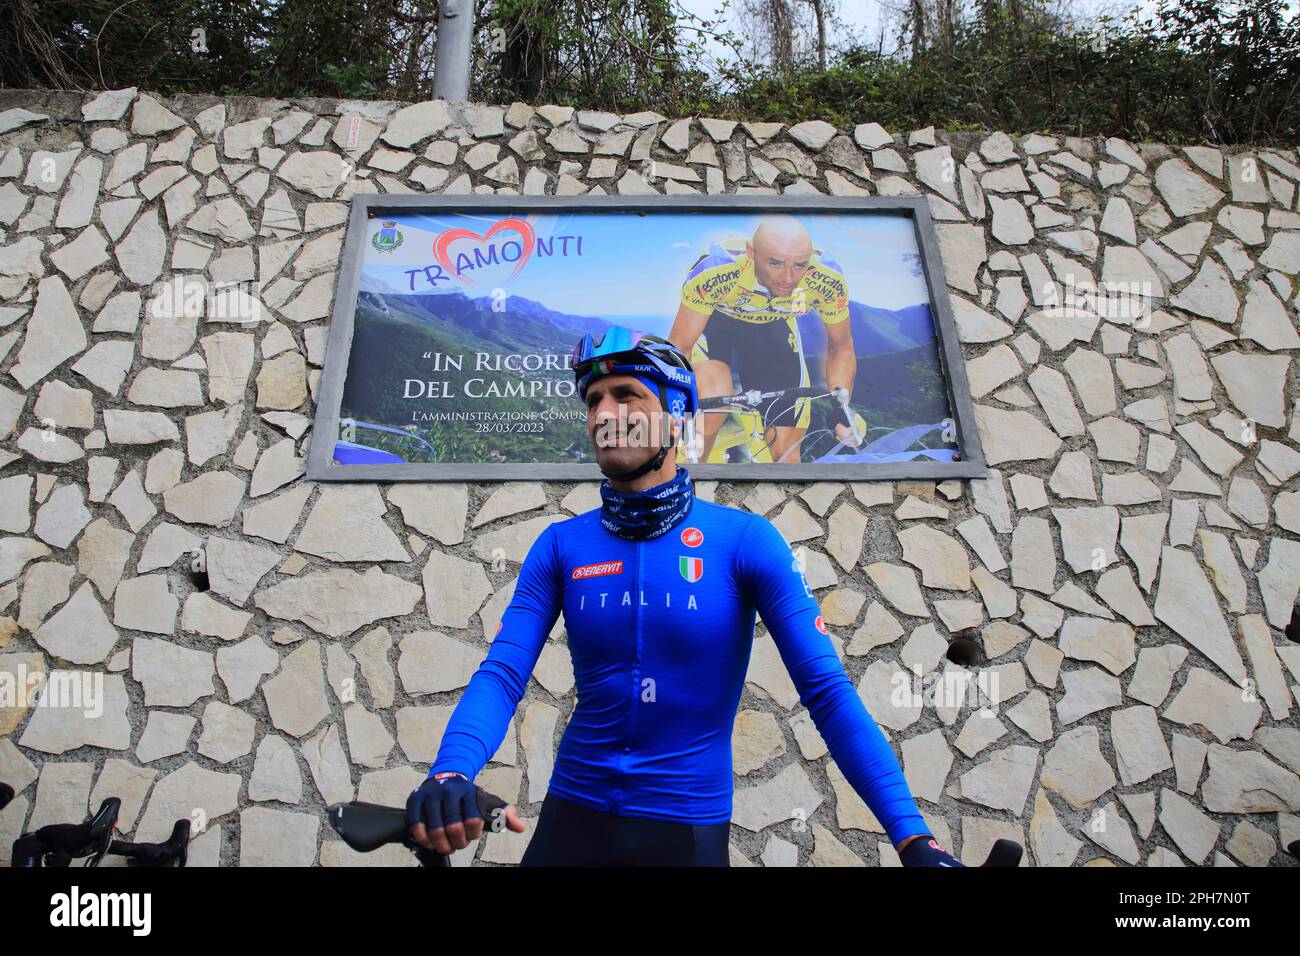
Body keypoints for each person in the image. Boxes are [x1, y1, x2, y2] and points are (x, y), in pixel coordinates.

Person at [406, 327, 961, 867]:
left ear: (676, 415)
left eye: (627, 395)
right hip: (570, 818)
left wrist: (914, 840)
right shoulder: (560, 545)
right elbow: (503, 673)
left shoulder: (745, 542)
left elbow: (828, 694)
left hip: (685, 831)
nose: (603, 414)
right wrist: (451, 771)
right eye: (593, 399)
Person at [667, 215, 861, 464]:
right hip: (716, 324)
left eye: (800, 265)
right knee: (706, 419)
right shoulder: (717, 269)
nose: (788, 278)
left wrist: (840, 408)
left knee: (787, 457)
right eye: (775, 263)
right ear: (751, 252)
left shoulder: (827, 278)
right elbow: (680, 346)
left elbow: (840, 345)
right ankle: (691, 482)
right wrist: (677, 409)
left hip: (773, 331)